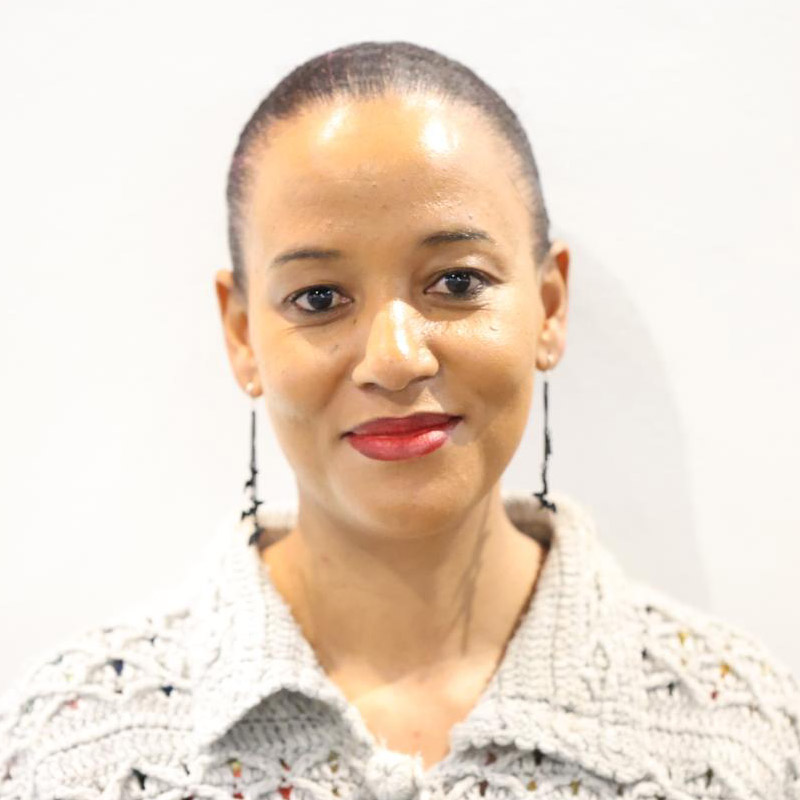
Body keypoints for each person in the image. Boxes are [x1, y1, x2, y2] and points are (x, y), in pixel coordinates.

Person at [1, 40, 798, 800]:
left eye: (455, 281)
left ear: (549, 306)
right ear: (243, 333)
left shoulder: (735, 734)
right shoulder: (74, 747)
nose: (394, 358)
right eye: (318, 297)